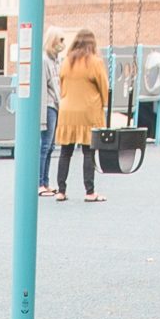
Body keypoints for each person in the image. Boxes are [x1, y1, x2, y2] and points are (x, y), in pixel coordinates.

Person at [52, 30, 109, 203]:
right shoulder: (95, 62)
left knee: (65, 152)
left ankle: (61, 190)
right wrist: (103, 104)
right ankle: (89, 191)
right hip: (88, 111)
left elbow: (61, 85)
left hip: (67, 111)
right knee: (88, 152)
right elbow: (104, 87)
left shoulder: (66, 62)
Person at [36, 31, 66, 195]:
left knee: (51, 146)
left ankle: (45, 182)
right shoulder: (45, 61)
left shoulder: (56, 61)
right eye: (60, 40)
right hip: (48, 105)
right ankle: (40, 182)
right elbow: (43, 87)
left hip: (55, 104)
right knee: (45, 145)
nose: (62, 44)